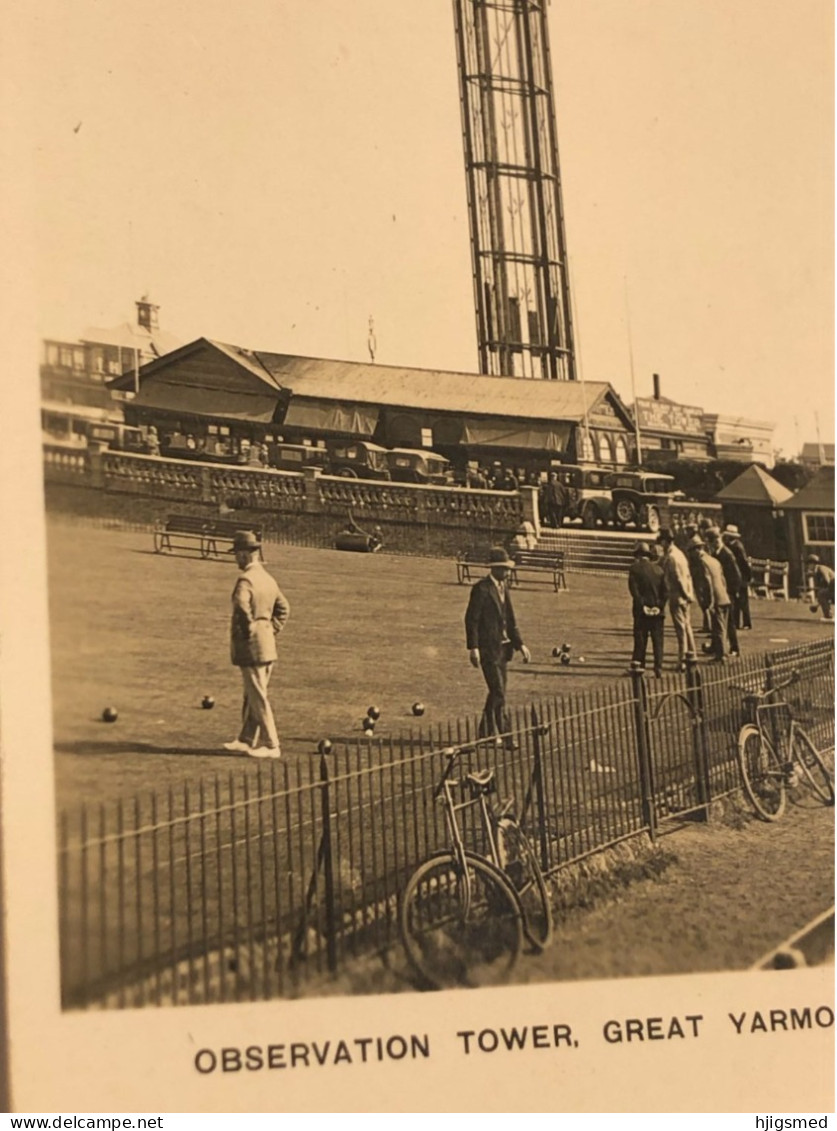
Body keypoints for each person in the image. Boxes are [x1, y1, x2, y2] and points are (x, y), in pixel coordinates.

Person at [223, 530, 290, 758]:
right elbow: (284, 608)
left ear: (245, 554)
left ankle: (272, 745)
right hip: (266, 644)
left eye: (237, 554)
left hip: (251, 645)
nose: (235, 559)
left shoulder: (246, 580)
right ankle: (246, 739)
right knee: (251, 693)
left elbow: (241, 606)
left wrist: (249, 629)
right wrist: (270, 630)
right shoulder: (268, 578)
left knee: (257, 694)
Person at [465, 547, 531, 744]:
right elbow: (471, 620)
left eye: (508, 569)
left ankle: (485, 735)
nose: (507, 572)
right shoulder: (481, 589)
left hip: (503, 649)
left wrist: (521, 645)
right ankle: (507, 736)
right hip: (487, 649)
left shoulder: (504, 588)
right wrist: (473, 648)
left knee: (497, 691)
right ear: (494, 569)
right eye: (504, 569)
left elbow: (510, 619)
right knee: (499, 692)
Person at [656, 528, 696, 671]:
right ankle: (692, 655)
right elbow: (687, 576)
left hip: (678, 596)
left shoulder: (673, 557)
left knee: (681, 630)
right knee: (687, 626)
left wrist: (685, 595)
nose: (661, 544)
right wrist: (690, 594)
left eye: (662, 541)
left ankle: (683, 661)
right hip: (685, 594)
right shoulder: (679, 554)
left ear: (666, 541)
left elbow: (678, 578)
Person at [687, 535, 731, 662]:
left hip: (716, 599)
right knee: (722, 627)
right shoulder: (714, 560)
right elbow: (723, 580)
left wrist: (710, 602)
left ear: (696, 550)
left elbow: (708, 583)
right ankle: (720, 650)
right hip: (724, 596)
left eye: (691, 551)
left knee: (718, 628)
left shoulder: (702, 562)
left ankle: (722, 655)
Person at [627, 542, 666, 677]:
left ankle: (639, 665)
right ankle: (658, 667)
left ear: (638, 555)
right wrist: (658, 606)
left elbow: (635, 591)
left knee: (640, 639)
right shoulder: (659, 570)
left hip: (641, 611)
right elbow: (665, 592)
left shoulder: (634, 569)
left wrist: (643, 605)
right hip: (657, 611)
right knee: (658, 640)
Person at [706, 529, 743, 657]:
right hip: (722, 590)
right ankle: (715, 645)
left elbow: (736, 574)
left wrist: (733, 592)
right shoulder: (716, 552)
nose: (714, 543)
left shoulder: (726, 554)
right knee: (717, 620)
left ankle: (734, 648)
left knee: (730, 621)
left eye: (716, 540)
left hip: (729, 591)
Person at [722, 524, 753, 629]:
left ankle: (746, 623)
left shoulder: (737, 547)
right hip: (735, 576)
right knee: (736, 600)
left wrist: (747, 577)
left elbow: (744, 563)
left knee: (743, 601)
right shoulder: (731, 545)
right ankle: (736, 622)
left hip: (741, 576)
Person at [806, 554, 835, 621]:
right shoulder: (819, 569)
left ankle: (828, 616)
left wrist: (818, 603)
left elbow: (828, 582)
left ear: (813, 563)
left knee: (821, 594)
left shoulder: (821, 569)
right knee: (822, 593)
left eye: (809, 563)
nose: (808, 566)